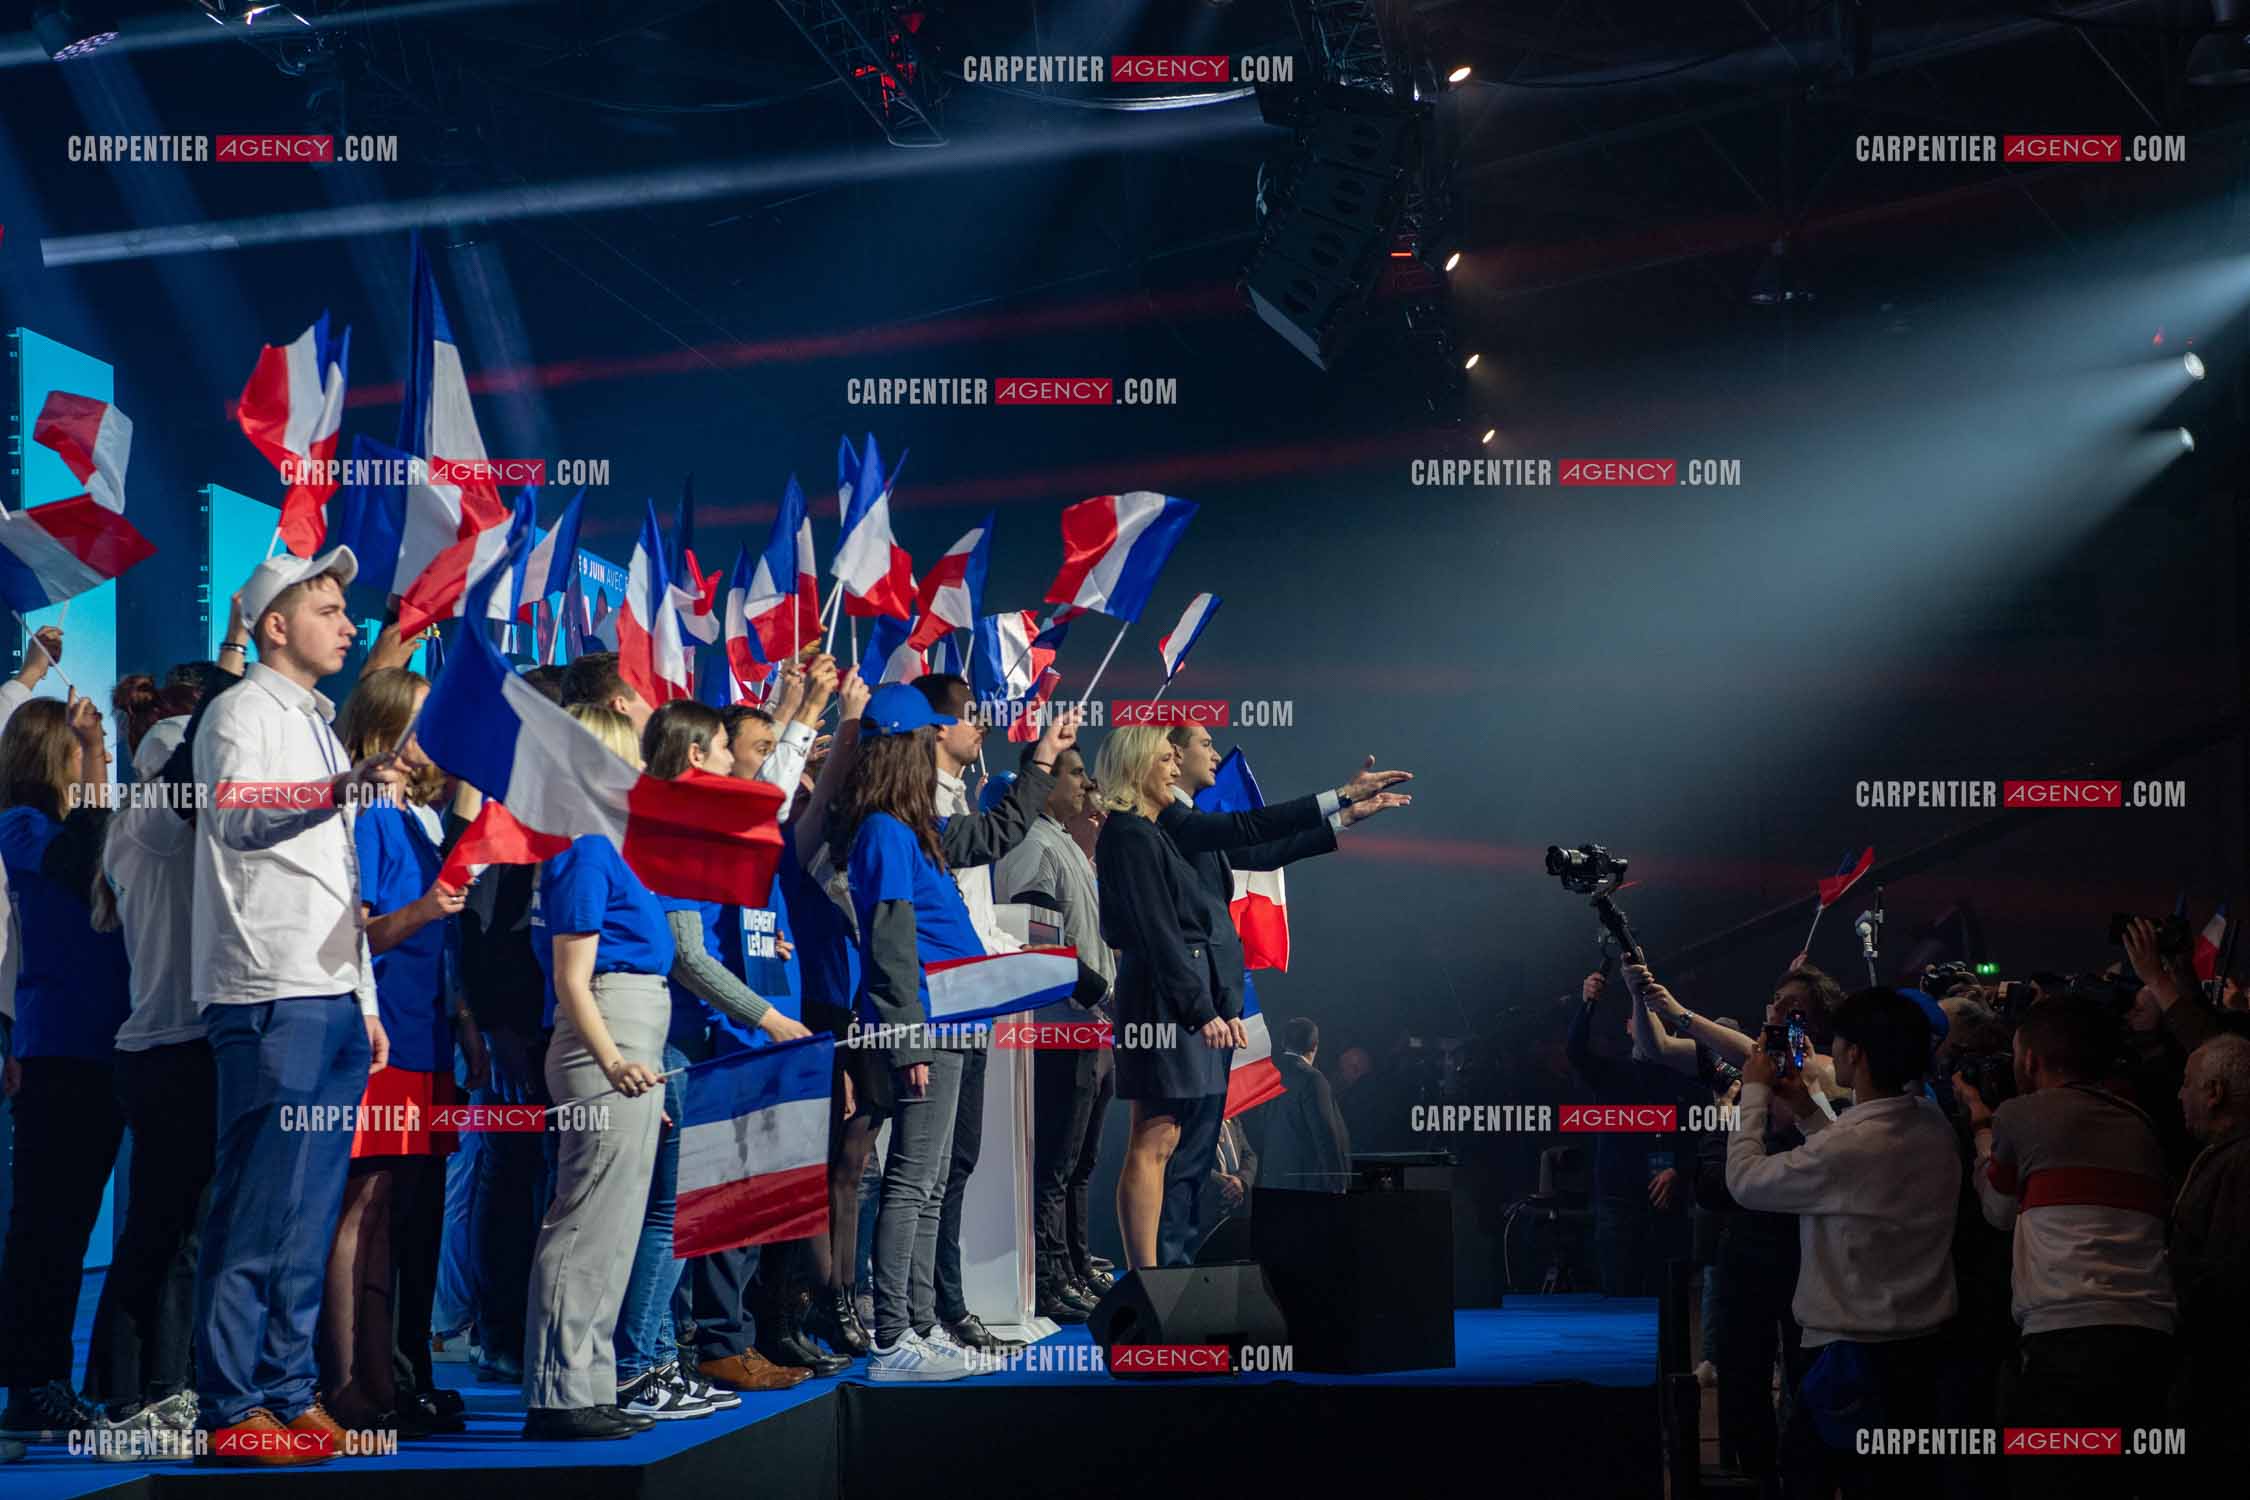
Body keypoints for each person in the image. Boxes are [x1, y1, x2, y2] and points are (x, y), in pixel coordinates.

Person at [188, 547, 405, 1465]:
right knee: (257, 1203)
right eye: (328, 608)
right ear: (274, 625)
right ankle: (233, 1405)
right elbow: (234, 812)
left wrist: (364, 997)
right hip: (267, 989)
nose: (348, 624)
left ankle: (286, 1387)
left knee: (309, 1207)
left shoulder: (317, 722)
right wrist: (337, 788)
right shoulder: (240, 711)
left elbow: (336, 880)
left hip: (326, 995)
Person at [832, 683, 1073, 1380]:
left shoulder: (915, 829)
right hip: (927, 1024)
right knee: (910, 1181)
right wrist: (907, 1043)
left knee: (933, 1182)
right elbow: (890, 948)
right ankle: (890, 1342)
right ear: (909, 748)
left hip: (958, 1017)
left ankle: (918, 1323)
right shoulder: (883, 831)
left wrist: (1041, 761)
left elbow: (998, 831)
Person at [620, 700, 817, 1413]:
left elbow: (719, 934)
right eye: (733, 749)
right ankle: (651, 1361)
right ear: (699, 752)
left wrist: (765, 951)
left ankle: (669, 1356)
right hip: (682, 1042)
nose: (748, 763)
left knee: (691, 1212)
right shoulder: (670, 827)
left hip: (707, 1039)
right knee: (669, 1216)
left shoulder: (700, 826)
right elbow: (687, 954)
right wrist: (767, 1015)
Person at [1153, 724, 1409, 1263]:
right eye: (1206, 745)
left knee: (1198, 1143)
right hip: (1189, 1006)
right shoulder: (1174, 822)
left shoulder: (1193, 824)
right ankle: (1167, 1271)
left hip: (1215, 1001)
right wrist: (1337, 795)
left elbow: (1263, 851)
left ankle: (1183, 1268)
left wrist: (1342, 820)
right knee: (1176, 1146)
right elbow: (1255, 824)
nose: (1216, 755)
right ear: (1173, 755)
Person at [1724, 988, 1960, 1499]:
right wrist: (1808, 1110)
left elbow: (1745, 1182)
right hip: (1921, 1353)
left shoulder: (1853, 1146)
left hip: (1852, 1359)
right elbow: (1848, 1164)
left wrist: (1755, 1095)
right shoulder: (1933, 1124)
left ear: (1856, 1054)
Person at [318, 668, 472, 1437]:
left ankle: (384, 1378)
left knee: (395, 1215)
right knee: (362, 1209)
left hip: (428, 1035)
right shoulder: (374, 815)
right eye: (422, 721)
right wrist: (426, 908)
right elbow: (362, 934)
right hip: (387, 1042)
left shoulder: (414, 816)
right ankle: (347, 1380)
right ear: (386, 730)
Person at [1955, 994, 2177, 1500]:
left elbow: (1998, 1210)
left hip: (2066, 1337)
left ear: (2030, 1060)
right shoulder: (2139, 1123)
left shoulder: (2021, 1115)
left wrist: (1981, 1128)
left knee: (2051, 1476)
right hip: (2149, 1338)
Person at [519, 706, 670, 1441]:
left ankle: (589, 1382)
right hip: (604, 1039)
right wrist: (614, 1062)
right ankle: (557, 1393)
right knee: (584, 1221)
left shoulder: (612, 844)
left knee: (613, 1227)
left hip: (634, 1038)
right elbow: (572, 978)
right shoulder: (582, 846)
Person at [81, 707, 208, 1453]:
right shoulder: (153, 822)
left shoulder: (162, 827)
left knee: (174, 1232)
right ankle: (136, 1398)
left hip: (178, 1048)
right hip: (169, 1050)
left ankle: (152, 1389)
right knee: (162, 1235)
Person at [0, 689, 124, 1440]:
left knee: (71, 1223)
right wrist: (99, 764)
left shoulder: (62, 826)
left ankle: (48, 1381)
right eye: (79, 747)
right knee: (45, 1226)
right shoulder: (21, 825)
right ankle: (31, 1384)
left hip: (103, 1039)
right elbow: (84, 858)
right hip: (58, 1044)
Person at [910, 673, 1039, 1355]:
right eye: (968, 715)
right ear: (933, 727)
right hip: (941, 1001)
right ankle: (922, 1314)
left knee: (959, 1160)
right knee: (922, 1173)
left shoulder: (954, 794)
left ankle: (942, 1307)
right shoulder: (921, 805)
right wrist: (1040, 764)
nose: (981, 725)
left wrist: (1014, 958)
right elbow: (985, 846)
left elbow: (976, 914)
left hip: (978, 994)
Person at [451, 663, 564, 1387]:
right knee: (509, 1167)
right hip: (518, 1027)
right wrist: (497, 1028)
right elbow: (480, 927)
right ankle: (498, 1332)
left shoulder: (556, 800)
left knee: (538, 1175)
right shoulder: (503, 805)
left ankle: (522, 1326)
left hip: (556, 1022)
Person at [994, 740, 1114, 1321]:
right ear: (1044, 783)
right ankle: (1046, 1277)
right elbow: (1037, 942)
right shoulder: (1030, 845)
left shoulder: (1065, 844)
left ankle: (1069, 1266)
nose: (1085, 783)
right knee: (1054, 1165)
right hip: (1055, 1028)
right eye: (1075, 772)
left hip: (1087, 1029)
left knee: (1078, 1162)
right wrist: (1100, 992)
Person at [1568, 969, 1713, 1298]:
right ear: (1629, 1027)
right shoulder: (1612, 1073)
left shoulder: (1686, 1078)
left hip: (1666, 1206)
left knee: (1668, 1299)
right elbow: (1576, 1052)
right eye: (1640, 1015)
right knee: (1621, 1299)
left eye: (1653, 1015)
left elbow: (1706, 1139)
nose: (1647, 1022)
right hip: (1618, 1204)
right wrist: (1587, 1003)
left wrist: (1681, 1169)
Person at [2170, 1033, 2250, 1478]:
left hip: (2221, 1380)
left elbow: (2227, 1274)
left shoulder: (2239, 1165)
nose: (2179, 1094)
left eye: (2187, 1083)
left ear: (2214, 1092)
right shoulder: (2223, 1157)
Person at [1243, 1018, 1350, 1192]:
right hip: (1305, 1185)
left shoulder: (1266, 1075)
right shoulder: (1313, 1079)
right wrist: (1337, 1184)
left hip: (1271, 1180)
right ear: (1315, 1046)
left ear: (1284, 1042)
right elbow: (1324, 1134)